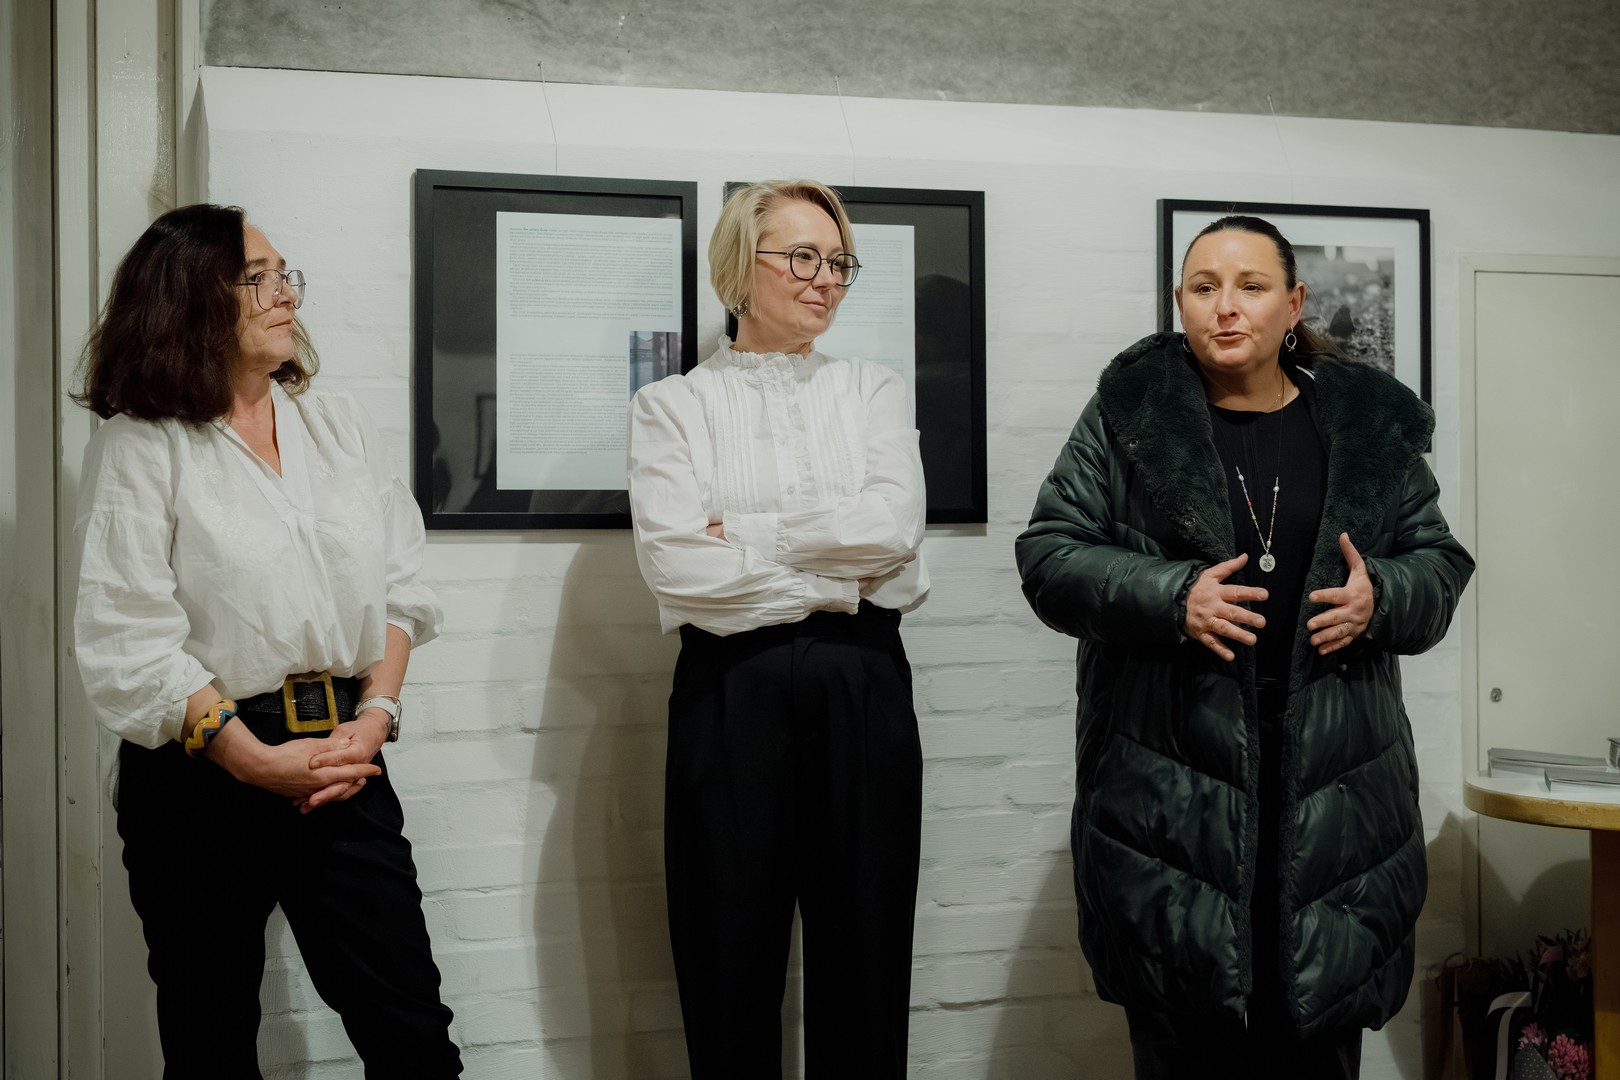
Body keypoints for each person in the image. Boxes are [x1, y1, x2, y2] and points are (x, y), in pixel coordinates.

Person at [1015, 215, 1473, 1078]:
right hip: (1171, 793)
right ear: (1179, 302)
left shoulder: (1366, 430)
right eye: (1204, 287)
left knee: (1317, 1042)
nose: (1226, 307)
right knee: (1184, 1044)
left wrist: (1381, 596)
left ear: (1293, 305)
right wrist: (1171, 596)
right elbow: (1049, 555)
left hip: (1335, 793)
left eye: (1251, 287)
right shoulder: (1129, 417)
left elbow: (1440, 563)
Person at [72, 204, 462, 1078]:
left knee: (413, 1038)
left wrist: (377, 717)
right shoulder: (141, 447)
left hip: (343, 754)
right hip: (200, 775)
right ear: (188, 298)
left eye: (286, 274)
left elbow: (402, 586)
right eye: (258, 278)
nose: (286, 293)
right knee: (211, 1047)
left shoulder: (336, 422)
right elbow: (127, 636)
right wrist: (250, 760)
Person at [627, 179, 928, 1078]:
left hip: (863, 682)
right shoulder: (671, 406)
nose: (826, 279)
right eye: (803, 257)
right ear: (739, 267)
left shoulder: (873, 389)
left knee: (866, 957)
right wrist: (839, 580)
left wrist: (751, 534)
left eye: (839, 262)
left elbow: (894, 534)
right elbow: (679, 570)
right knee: (727, 958)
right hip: (730, 690)